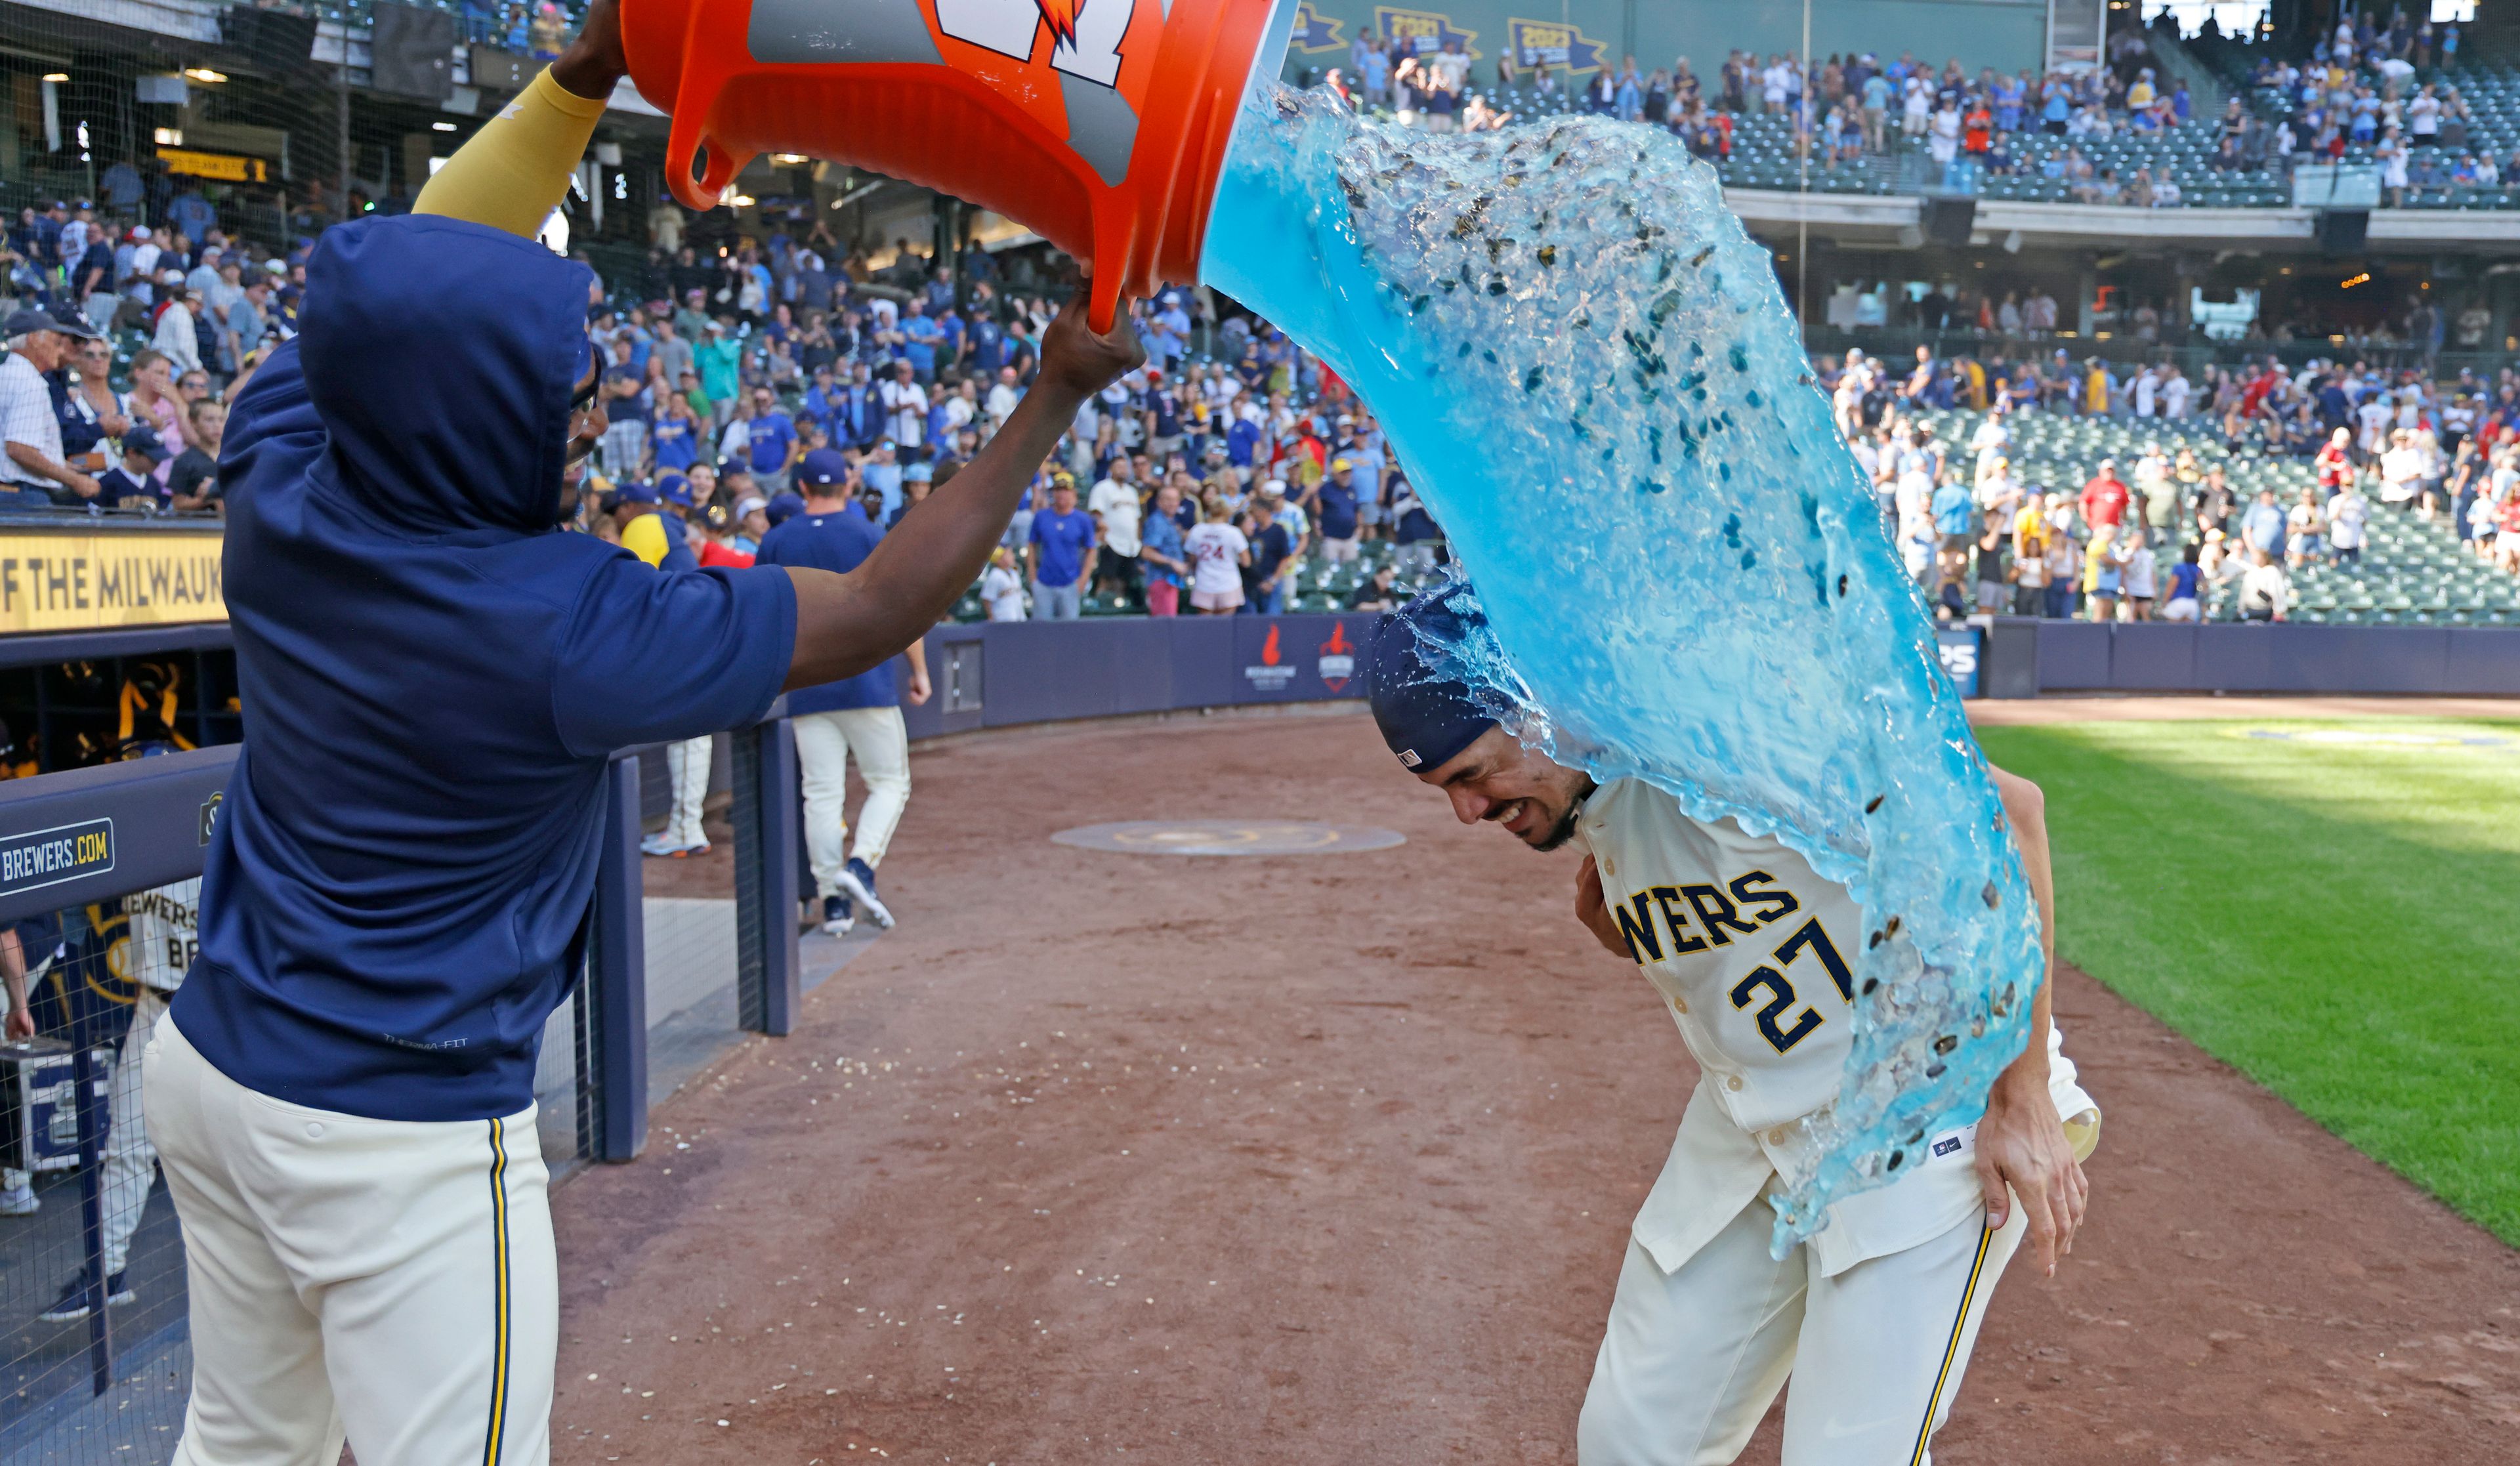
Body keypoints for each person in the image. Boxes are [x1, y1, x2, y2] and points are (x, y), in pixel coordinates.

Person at [138, 7, 1142, 1461]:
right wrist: (1054, 390)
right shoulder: (564, 620)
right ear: (483, 422)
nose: (592, 419)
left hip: (213, 1073)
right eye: (572, 402)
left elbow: (413, 279)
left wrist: (583, 71)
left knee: (241, 1445)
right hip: (393, 1131)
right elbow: (871, 605)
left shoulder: (283, 477)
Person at [1362, 586, 2095, 1466]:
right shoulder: (1586, 783)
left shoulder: (1739, 723)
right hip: (1758, 1130)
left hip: (1929, 1100)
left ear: (1537, 707)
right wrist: (1638, 929)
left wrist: (2021, 1098)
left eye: (1473, 773)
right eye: (1442, 787)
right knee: (1633, 1444)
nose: (1467, 812)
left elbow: (2007, 821)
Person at [756, 448, 931, 935]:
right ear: (848, 487)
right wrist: (919, 670)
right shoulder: (869, 534)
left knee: (822, 795)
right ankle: (861, 867)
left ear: (804, 489)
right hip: (867, 681)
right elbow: (905, 612)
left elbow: (759, 613)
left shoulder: (777, 538)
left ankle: (834, 905)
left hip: (806, 683)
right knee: (890, 783)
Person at [42, 868, 196, 1322]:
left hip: (219, 1006)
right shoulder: (140, 825)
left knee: (245, 1145)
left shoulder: (219, 817)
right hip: (152, 1005)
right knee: (127, 1142)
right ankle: (106, 1274)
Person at [1, 310, 103, 504]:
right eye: (56, 343)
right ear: (34, 340)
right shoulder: (29, 383)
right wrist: (74, 480)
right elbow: (19, 449)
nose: (60, 351)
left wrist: (60, 465)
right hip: (22, 496)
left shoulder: (5, 373)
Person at [1027, 472, 1095, 619]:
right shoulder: (1041, 517)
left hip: (1070, 583)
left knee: (1069, 633)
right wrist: (1032, 577)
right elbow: (1032, 545)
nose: (1062, 494)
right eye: (1058, 490)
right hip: (1044, 582)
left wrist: (1083, 580)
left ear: (1073, 493)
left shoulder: (1082, 520)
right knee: (1041, 632)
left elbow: (1091, 550)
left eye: (1065, 490)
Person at [1183, 497, 1249, 614]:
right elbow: (1246, 561)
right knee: (1226, 627)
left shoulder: (1197, 530)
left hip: (1204, 582)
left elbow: (1191, 559)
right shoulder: (1233, 532)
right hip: (1229, 583)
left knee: (1206, 627)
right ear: (1226, 512)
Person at [1140, 480, 1188, 616]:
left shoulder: (1171, 522)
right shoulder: (1157, 522)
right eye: (1168, 499)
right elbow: (1147, 552)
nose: (1172, 503)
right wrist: (1172, 562)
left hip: (1171, 581)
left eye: (1175, 500)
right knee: (1164, 627)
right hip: (1161, 581)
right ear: (1159, 501)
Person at [2158, 543, 2204, 622]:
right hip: (2193, 605)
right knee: (2188, 632)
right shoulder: (2199, 570)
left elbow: (2171, 587)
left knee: (2172, 631)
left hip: (2178, 603)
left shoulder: (2179, 568)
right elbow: (2204, 589)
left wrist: (2164, 603)